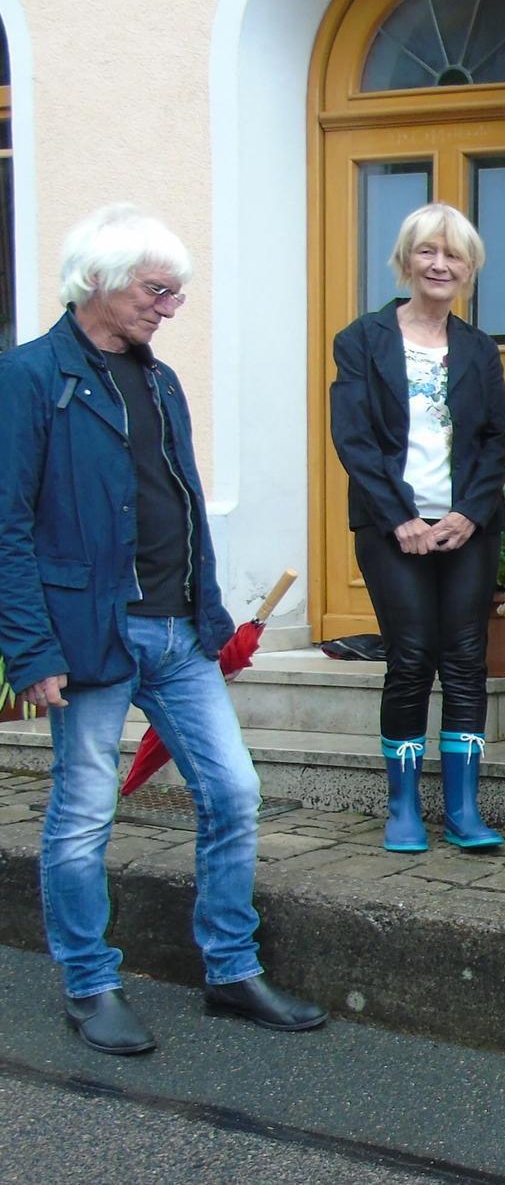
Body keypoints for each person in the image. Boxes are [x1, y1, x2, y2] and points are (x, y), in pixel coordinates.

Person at [0, 204, 326, 1054]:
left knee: (233, 792)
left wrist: (211, 617)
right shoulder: (31, 377)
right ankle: (90, 983)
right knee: (81, 814)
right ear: (100, 281)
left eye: (176, 292)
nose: (170, 306)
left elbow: (180, 508)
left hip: (178, 633)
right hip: (88, 637)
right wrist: (31, 650)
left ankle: (229, 969)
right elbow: (7, 524)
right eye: (157, 289)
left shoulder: (160, 380)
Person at [329, 202, 505, 854]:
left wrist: (469, 511)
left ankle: (464, 810)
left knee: (465, 660)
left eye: (454, 254)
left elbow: (499, 437)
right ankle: (403, 808)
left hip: (469, 527)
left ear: (469, 269)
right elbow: (353, 438)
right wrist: (400, 518)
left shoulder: (479, 349)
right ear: (406, 259)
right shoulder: (361, 339)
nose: (440, 264)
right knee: (410, 659)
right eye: (427, 251)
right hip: (391, 528)